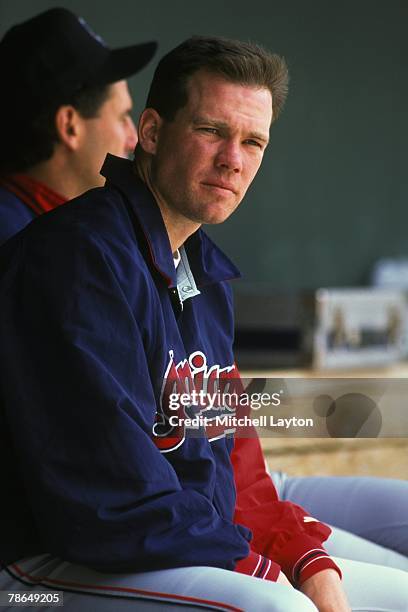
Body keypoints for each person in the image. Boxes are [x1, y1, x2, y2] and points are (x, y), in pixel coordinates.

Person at [0, 36, 407, 612]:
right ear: (151, 132)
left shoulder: (203, 274)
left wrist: (303, 558)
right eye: (212, 131)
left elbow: (234, 467)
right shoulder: (78, 259)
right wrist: (261, 570)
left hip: (172, 542)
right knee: (279, 608)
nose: (233, 159)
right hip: (36, 571)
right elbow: (114, 497)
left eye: (253, 141)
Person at [0, 8, 156, 245]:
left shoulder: (54, 227)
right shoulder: (22, 246)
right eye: (122, 116)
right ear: (70, 126)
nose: (132, 139)